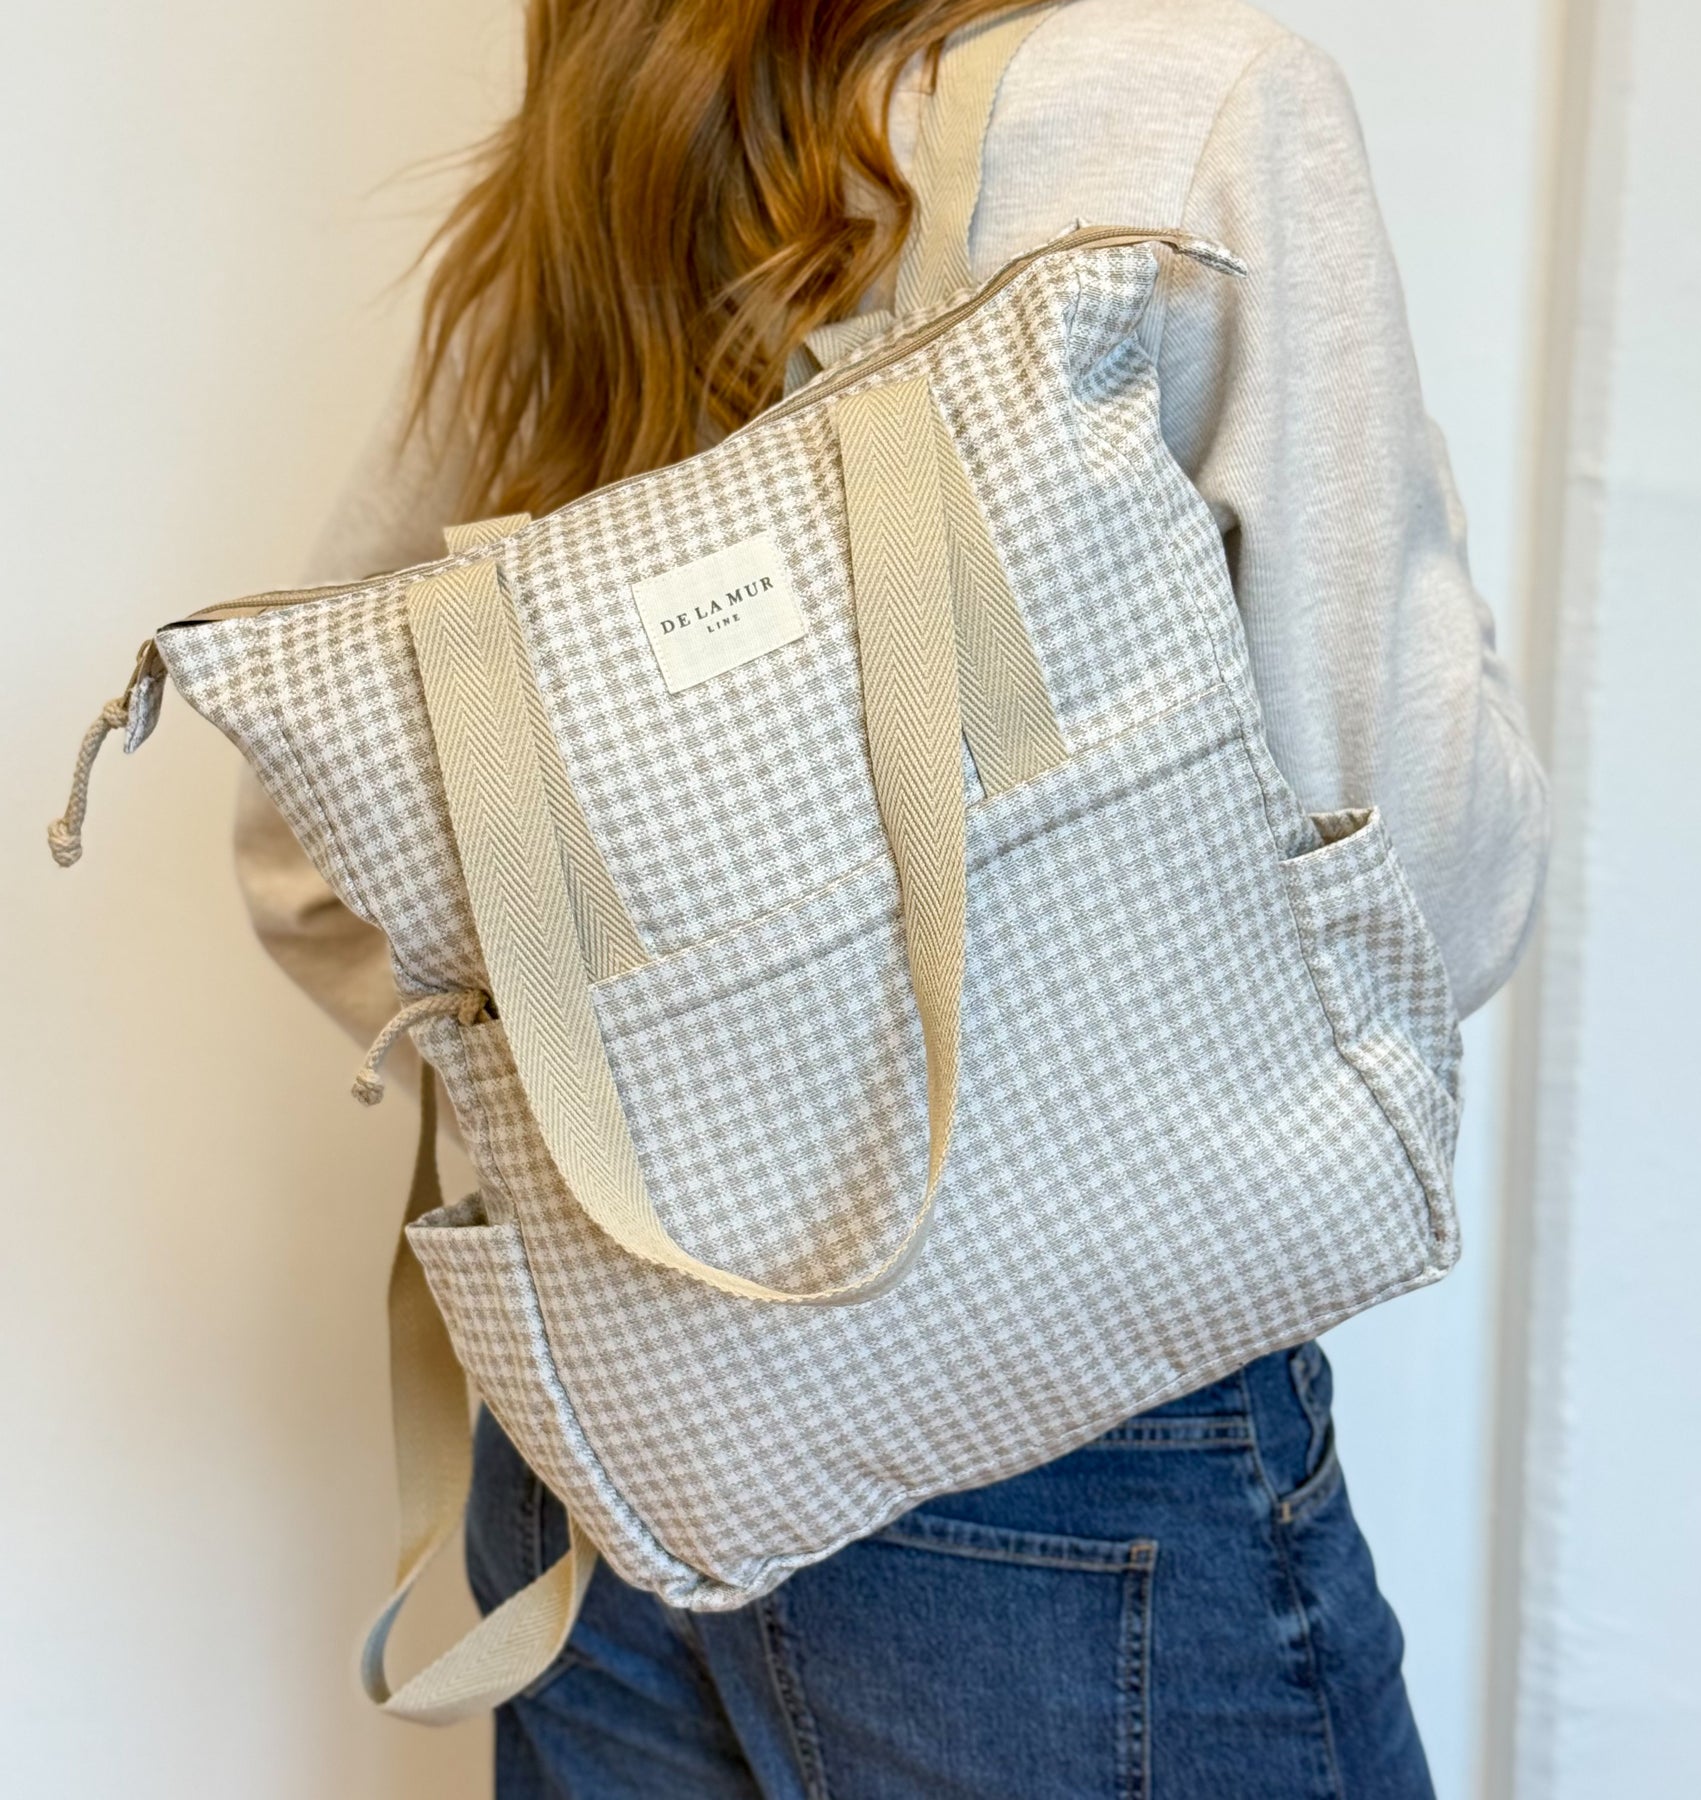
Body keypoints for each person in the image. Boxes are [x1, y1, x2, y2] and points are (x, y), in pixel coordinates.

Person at [233, 1, 1550, 1793]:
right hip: (1070, 1441)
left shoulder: (598, 142)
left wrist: (695, 1122)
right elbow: (1435, 880)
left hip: (620, 1453)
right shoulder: (1200, 106)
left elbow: (308, 859)